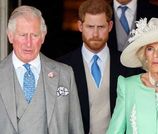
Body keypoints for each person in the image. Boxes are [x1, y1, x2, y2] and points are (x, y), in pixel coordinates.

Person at [0, 5, 84, 134]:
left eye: (34, 35)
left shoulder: (65, 74)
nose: (28, 43)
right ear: (10, 36)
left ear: (43, 37)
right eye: (23, 35)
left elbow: (76, 128)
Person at [57, 0, 138, 133]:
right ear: (80, 26)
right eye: (90, 27)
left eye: (101, 27)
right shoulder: (62, 66)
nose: (95, 34)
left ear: (110, 26)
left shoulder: (127, 65)